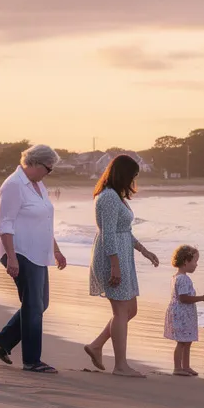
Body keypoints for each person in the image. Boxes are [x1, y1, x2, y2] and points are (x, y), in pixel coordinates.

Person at [0, 144, 66, 374]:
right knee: (32, 306)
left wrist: (56, 250)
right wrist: (11, 257)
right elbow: (5, 224)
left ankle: (1, 342)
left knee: (41, 304)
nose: (48, 173)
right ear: (34, 163)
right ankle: (32, 360)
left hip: (39, 253)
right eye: (47, 169)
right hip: (21, 252)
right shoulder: (13, 185)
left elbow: (44, 221)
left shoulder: (37, 184)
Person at [84, 155, 159, 376]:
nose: (134, 179)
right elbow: (108, 234)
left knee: (130, 310)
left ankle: (96, 345)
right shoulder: (107, 197)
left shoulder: (117, 196)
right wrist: (115, 266)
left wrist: (145, 251)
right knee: (120, 311)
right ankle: (120, 365)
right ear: (123, 174)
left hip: (123, 256)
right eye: (133, 175)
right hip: (112, 258)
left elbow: (124, 231)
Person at [164, 245, 204, 376]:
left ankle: (186, 366)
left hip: (183, 313)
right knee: (182, 342)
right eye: (195, 261)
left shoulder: (177, 276)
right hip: (182, 314)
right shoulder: (183, 278)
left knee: (187, 340)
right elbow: (183, 298)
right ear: (186, 261)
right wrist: (201, 298)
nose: (196, 265)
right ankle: (178, 368)